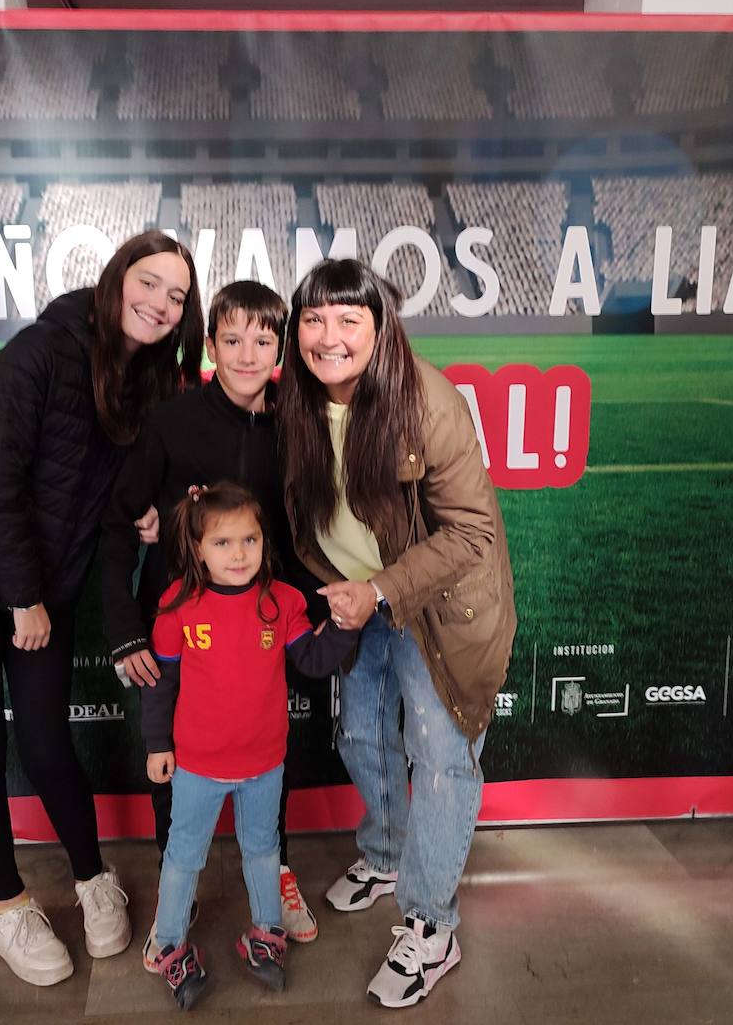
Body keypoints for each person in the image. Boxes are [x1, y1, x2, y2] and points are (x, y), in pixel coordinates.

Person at [0, 230, 204, 987]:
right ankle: (6, 904)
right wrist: (22, 598)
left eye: (177, 295)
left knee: (46, 742)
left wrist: (147, 511)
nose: (161, 303)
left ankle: (91, 876)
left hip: (48, 586)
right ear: (115, 280)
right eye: (149, 282)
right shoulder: (38, 353)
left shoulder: (153, 382)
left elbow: (134, 477)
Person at [277, 258, 517, 1008]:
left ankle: (431, 924)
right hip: (356, 599)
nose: (329, 335)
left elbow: (473, 531)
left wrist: (380, 589)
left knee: (443, 759)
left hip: (436, 605)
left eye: (350, 318)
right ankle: (385, 854)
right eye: (314, 318)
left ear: (379, 329)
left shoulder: (426, 402)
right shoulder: (297, 401)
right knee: (363, 737)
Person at [99, 281, 323, 967]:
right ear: (211, 346)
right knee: (180, 764)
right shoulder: (173, 422)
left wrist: (319, 606)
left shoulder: (294, 424)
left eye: (263, 339)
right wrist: (125, 627)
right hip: (181, 629)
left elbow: (304, 529)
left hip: (261, 623)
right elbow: (119, 517)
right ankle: (178, 887)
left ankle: (273, 869)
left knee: (264, 751)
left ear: (280, 347)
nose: (248, 353)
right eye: (233, 339)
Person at [139, 482, 357, 1011]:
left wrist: (347, 625)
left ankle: (265, 934)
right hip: (195, 765)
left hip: (264, 764)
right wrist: (156, 744)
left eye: (250, 540)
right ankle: (169, 941)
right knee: (184, 855)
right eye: (222, 543)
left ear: (264, 542)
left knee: (263, 852)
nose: (239, 554)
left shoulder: (281, 601)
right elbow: (161, 684)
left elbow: (311, 658)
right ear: (196, 549)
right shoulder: (176, 605)